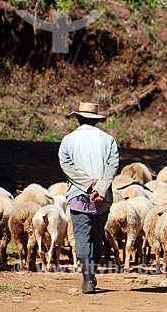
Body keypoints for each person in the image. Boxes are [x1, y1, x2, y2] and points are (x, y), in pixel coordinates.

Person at [58, 102, 119, 294]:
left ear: (78, 118)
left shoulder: (68, 139)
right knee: (97, 235)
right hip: (104, 196)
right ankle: (91, 275)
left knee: (82, 235)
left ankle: (87, 279)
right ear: (96, 120)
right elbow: (112, 166)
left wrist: (87, 184)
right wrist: (100, 188)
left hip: (78, 194)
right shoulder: (108, 140)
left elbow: (66, 165)